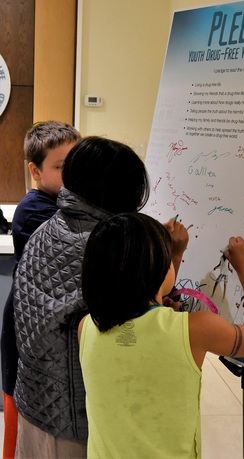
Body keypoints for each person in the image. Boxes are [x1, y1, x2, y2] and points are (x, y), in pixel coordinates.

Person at [12, 136, 188, 458]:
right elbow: (148, 327)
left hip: (34, 400)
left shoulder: (48, 226)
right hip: (74, 423)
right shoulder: (108, 248)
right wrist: (172, 253)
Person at [79, 212, 244, 458]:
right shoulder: (196, 329)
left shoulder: (86, 327)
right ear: (158, 271)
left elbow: (142, 322)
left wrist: (174, 253)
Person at [1, 120, 80, 459]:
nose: (75, 176)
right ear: (35, 170)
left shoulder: (65, 204)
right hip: (26, 340)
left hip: (46, 339)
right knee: (22, 436)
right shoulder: (34, 211)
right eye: (63, 167)